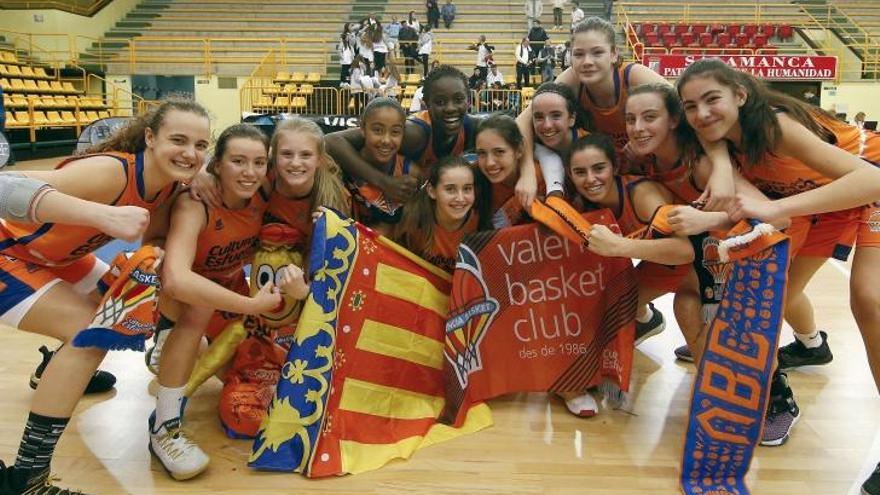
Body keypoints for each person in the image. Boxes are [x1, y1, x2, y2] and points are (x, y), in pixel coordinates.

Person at [0, 98, 210, 494]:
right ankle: (26, 479)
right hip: (8, 249)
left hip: (57, 259)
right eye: (178, 140)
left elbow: (157, 236)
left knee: (122, 305)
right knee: (89, 334)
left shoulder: (168, 186)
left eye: (200, 145)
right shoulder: (111, 172)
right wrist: (102, 216)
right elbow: (4, 187)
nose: (190, 153)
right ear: (150, 137)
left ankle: (54, 370)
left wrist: (156, 251)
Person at [677, 57, 880, 448]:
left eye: (711, 99)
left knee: (869, 299)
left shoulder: (776, 126)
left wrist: (776, 208)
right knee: (774, 297)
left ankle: (772, 378)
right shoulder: (713, 136)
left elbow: (871, 180)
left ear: (741, 94)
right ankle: (809, 347)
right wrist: (721, 165)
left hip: (868, 180)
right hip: (818, 203)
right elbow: (708, 133)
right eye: (689, 106)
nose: (701, 113)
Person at [149, 123, 281, 481]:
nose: (250, 172)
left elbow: (318, 147)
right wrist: (251, 306)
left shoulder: (264, 191)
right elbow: (177, 279)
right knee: (197, 309)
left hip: (230, 292)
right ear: (218, 165)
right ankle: (164, 427)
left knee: (243, 373)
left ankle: (178, 354)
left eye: (258, 162)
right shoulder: (195, 204)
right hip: (181, 296)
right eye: (237, 161)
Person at [327, 65, 481, 207]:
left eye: (459, 99)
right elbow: (331, 141)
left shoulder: (474, 128)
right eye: (440, 102)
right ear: (426, 104)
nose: (450, 108)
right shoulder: (415, 134)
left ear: (469, 100)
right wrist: (385, 182)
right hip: (382, 200)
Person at [393, 155, 482, 272]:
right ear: (432, 191)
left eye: (467, 189)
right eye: (450, 189)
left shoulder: (481, 225)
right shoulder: (414, 220)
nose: (460, 198)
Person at [342, 97, 414, 235]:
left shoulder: (411, 172)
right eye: (377, 130)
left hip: (388, 252)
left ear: (403, 133)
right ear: (362, 129)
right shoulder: (341, 167)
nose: (386, 140)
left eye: (395, 132)